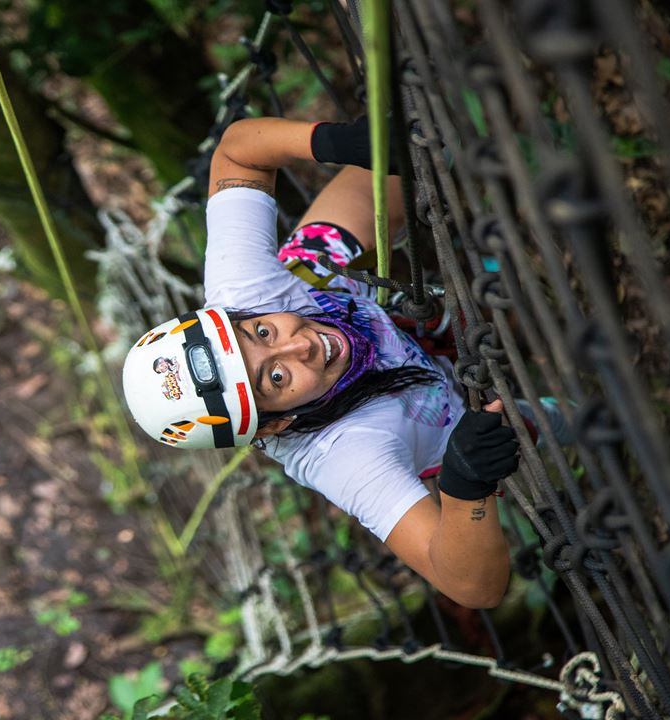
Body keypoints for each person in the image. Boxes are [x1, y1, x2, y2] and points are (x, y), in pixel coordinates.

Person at [122, 116, 521, 609]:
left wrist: (336, 141)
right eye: (275, 378)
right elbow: (471, 587)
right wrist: (465, 487)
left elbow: (237, 150)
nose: (299, 346)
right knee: (537, 420)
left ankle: (473, 136)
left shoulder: (241, 293)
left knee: (410, 152)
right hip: (442, 408)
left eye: (262, 332)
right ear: (276, 424)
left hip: (349, 292)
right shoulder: (342, 456)